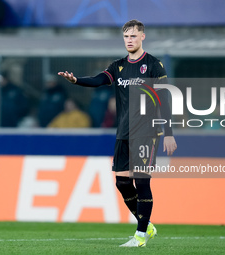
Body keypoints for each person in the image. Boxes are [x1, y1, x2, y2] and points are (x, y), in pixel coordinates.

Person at [58, 19, 177, 247]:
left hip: (146, 131)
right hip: (124, 131)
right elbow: (98, 80)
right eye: (126, 36)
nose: (129, 40)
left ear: (142, 36)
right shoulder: (118, 65)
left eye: (133, 36)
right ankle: (147, 224)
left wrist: (168, 132)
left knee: (141, 182)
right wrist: (76, 80)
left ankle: (140, 236)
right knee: (122, 183)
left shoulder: (153, 65)